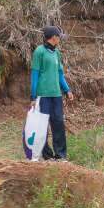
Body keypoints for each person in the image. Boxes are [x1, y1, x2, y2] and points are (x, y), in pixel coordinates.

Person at [30, 26, 74, 161]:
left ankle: (60, 155)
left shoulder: (57, 53)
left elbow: (60, 74)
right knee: (42, 126)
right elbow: (35, 74)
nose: (60, 38)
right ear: (53, 37)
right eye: (59, 36)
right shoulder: (39, 52)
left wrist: (67, 90)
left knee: (58, 123)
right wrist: (33, 96)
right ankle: (47, 156)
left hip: (56, 95)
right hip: (43, 95)